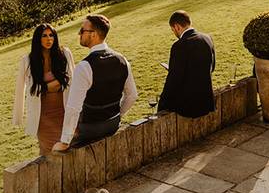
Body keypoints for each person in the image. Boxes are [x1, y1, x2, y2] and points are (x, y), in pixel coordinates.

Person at [53, 14, 138, 150]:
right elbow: (132, 95)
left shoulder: (84, 67)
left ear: (93, 35)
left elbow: (73, 108)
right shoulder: (123, 60)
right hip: (113, 123)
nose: (79, 34)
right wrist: (118, 115)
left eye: (82, 30)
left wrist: (64, 141)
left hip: (90, 129)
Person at [12, 24, 76, 156]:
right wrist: (18, 117)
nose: (49, 39)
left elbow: (72, 79)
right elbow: (23, 89)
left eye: (51, 35)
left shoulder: (64, 54)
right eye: (44, 36)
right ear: (38, 39)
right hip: (42, 116)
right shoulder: (28, 61)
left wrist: (44, 88)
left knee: (69, 148)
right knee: (49, 152)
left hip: (64, 112)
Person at [158, 11, 216, 118]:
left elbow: (173, 80)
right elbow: (212, 67)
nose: (174, 33)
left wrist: (161, 104)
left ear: (177, 26)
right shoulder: (207, 38)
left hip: (189, 106)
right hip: (207, 100)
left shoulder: (179, 46)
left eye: (172, 30)